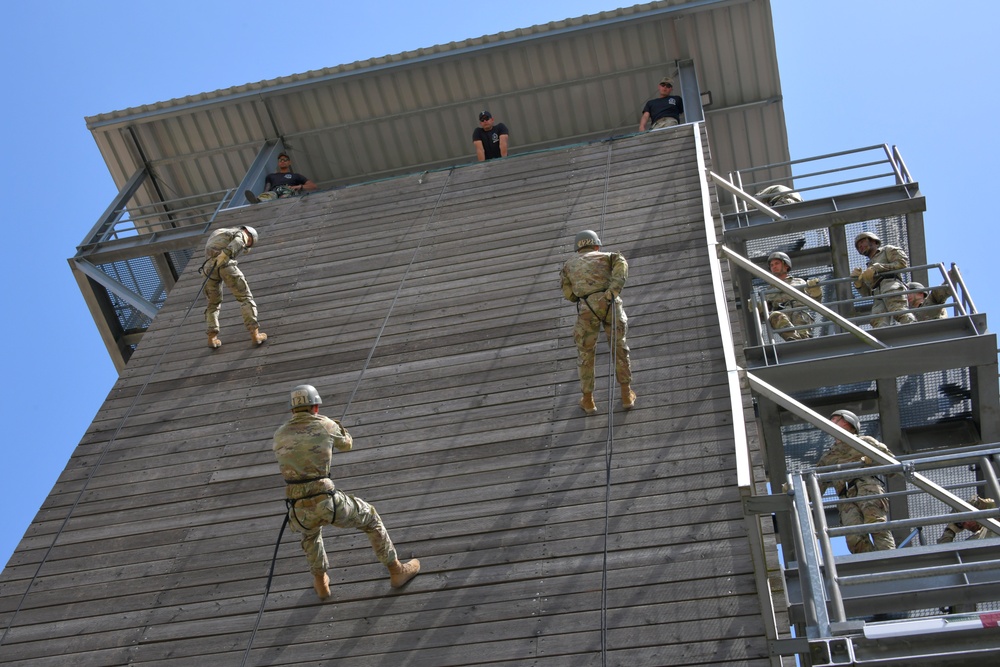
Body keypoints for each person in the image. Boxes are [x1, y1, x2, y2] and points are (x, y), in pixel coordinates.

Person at [273, 384, 420, 600]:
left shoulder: (279, 434)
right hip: (327, 500)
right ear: (315, 407)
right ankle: (396, 571)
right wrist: (338, 427)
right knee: (370, 517)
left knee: (310, 534)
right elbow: (347, 444)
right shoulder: (325, 424)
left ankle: (321, 582)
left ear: (292, 410)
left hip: (298, 506)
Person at [561, 230, 635, 415]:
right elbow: (622, 263)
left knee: (586, 354)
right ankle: (626, 395)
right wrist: (612, 291)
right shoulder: (609, 256)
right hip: (611, 304)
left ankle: (588, 401)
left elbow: (569, 296)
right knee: (619, 347)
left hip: (587, 308)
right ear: (596, 245)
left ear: (578, 248)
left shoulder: (568, 265)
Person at [816, 409, 896, 554]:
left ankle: (891, 560)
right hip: (845, 499)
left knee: (877, 527)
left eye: (836, 420)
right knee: (853, 538)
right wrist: (793, 491)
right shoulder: (827, 457)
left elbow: (892, 468)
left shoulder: (865, 442)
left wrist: (873, 460)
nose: (831, 423)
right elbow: (814, 489)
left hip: (867, 489)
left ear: (848, 422)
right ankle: (870, 568)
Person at [202, 225, 267, 348]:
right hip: (225, 265)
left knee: (212, 304)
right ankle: (255, 335)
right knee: (245, 298)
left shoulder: (219, 232)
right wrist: (224, 256)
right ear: (248, 232)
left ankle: (212, 338)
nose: (246, 243)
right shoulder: (241, 233)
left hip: (208, 268)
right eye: (249, 242)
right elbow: (238, 241)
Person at [850, 231, 916, 327]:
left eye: (862, 242)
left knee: (899, 311)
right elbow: (867, 293)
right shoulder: (869, 266)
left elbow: (902, 263)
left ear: (874, 241)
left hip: (890, 285)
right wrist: (858, 282)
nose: (860, 246)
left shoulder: (887, 250)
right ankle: (882, 339)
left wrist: (878, 267)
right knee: (877, 321)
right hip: (877, 294)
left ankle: (914, 328)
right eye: (858, 246)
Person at [760, 251, 822, 341]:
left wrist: (816, 291)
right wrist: (758, 308)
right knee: (774, 315)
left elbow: (816, 303)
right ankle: (794, 339)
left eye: (777, 263)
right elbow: (765, 316)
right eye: (772, 265)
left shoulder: (799, 282)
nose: (774, 267)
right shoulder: (769, 291)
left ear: (786, 265)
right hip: (784, 321)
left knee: (804, 337)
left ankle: (802, 339)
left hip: (801, 318)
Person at [245, 153, 317, 203]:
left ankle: (282, 202)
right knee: (269, 195)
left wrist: (299, 186)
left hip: (287, 189)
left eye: (285, 160)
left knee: (285, 195)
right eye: (280, 160)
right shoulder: (271, 176)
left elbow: (313, 186)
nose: (282, 161)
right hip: (274, 191)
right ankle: (258, 201)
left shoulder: (296, 176)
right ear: (278, 163)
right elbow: (267, 188)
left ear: (289, 162)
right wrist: (264, 194)